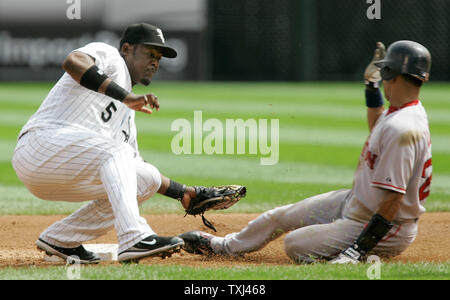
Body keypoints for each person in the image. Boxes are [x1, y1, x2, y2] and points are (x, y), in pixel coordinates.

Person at [179, 40, 433, 264]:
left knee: (296, 246)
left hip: (384, 226)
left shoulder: (403, 128)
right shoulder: (403, 111)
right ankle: (224, 246)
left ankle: (358, 252)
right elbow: (378, 128)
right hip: (356, 201)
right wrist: (371, 87)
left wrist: (357, 250)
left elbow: (392, 200)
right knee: (278, 217)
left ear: (392, 73)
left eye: (384, 71)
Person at [11, 23, 220, 263]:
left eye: (159, 58)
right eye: (150, 54)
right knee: (117, 153)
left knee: (145, 178)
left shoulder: (127, 116)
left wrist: (183, 192)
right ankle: (134, 238)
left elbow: (128, 170)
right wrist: (126, 97)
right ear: (127, 49)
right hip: (40, 145)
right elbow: (72, 62)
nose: (155, 62)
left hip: (58, 169)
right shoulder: (110, 56)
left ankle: (61, 239)